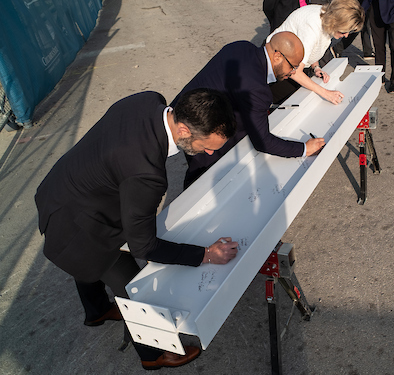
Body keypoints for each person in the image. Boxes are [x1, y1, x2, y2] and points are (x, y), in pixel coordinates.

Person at [35, 89, 240, 370]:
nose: (208, 152)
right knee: (136, 287)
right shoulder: (147, 174)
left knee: (86, 265)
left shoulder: (149, 101)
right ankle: (154, 354)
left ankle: (97, 311)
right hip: (78, 223)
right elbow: (144, 246)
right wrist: (206, 254)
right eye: (207, 146)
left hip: (60, 187)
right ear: (183, 129)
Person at [171, 32, 326, 188]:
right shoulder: (257, 88)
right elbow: (263, 141)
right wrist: (304, 148)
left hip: (183, 107)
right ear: (277, 56)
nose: (293, 72)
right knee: (199, 182)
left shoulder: (242, 46)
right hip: (199, 128)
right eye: (292, 66)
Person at [267, 0, 365, 104]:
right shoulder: (311, 27)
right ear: (335, 22)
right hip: (277, 69)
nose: (346, 35)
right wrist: (326, 93)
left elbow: (310, 48)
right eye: (343, 31)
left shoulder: (327, 18)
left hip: (292, 66)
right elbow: (294, 72)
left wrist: (316, 68)